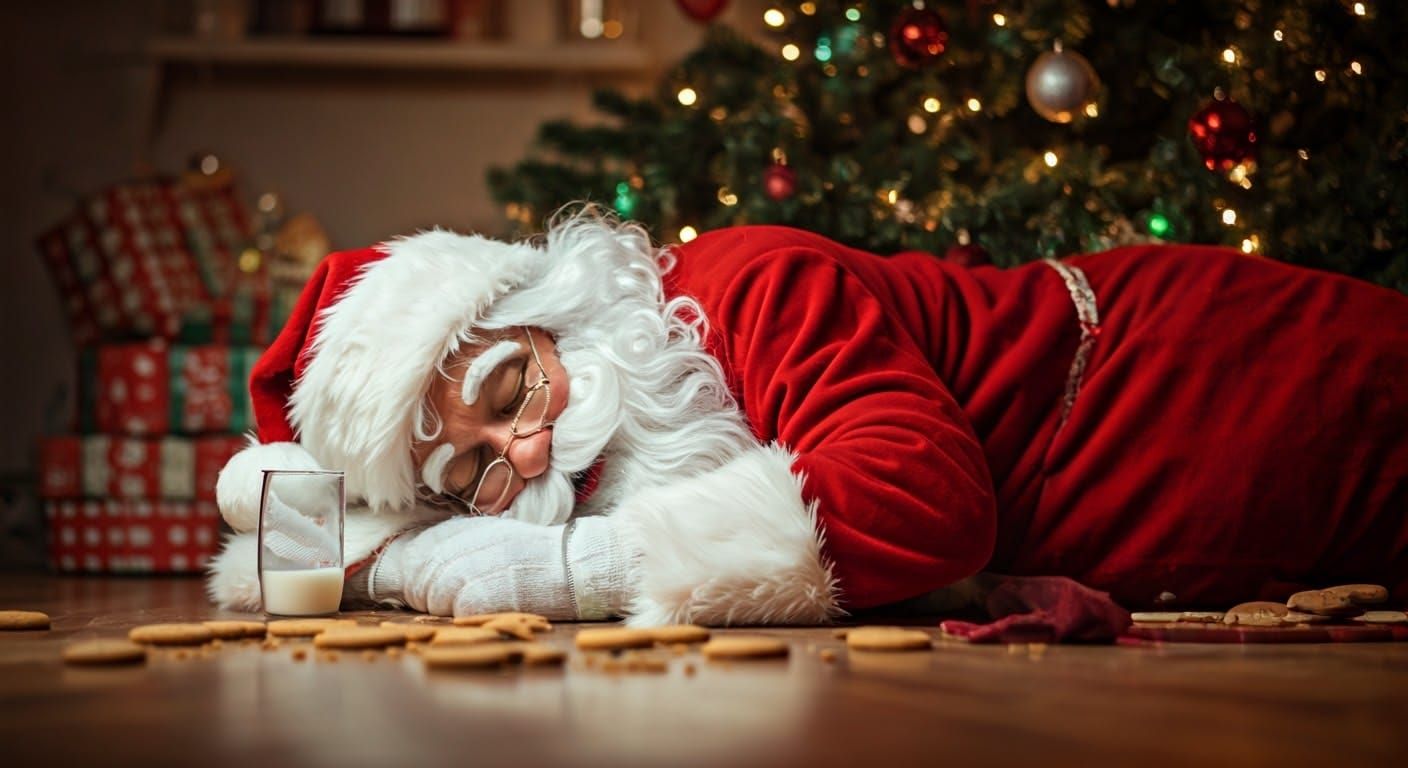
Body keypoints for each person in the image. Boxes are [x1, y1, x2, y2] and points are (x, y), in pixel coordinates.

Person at [207, 209, 1408, 624]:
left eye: (510, 395)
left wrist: (573, 566)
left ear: (550, 312)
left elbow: (925, 502)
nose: (520, 453)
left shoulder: (749, 287)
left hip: (1217, 380)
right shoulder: (571, 423)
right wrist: (376, 561)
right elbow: (323, 540)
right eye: (471, 477)